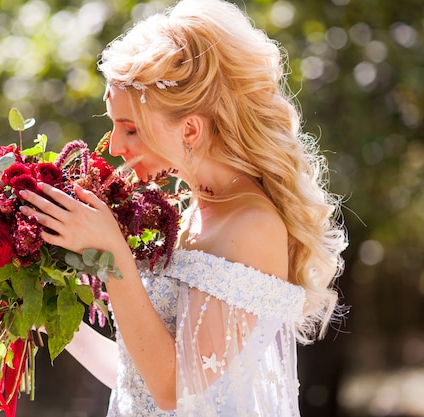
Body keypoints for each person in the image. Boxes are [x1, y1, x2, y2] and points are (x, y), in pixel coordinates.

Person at [19, 0, 347, 415]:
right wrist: (45, 315)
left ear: (190, 128)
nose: (115, 146)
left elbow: (174, 390)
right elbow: (138, 381)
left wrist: (112, 254)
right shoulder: (191, 213)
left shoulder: (251, 224)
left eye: (130, 128)